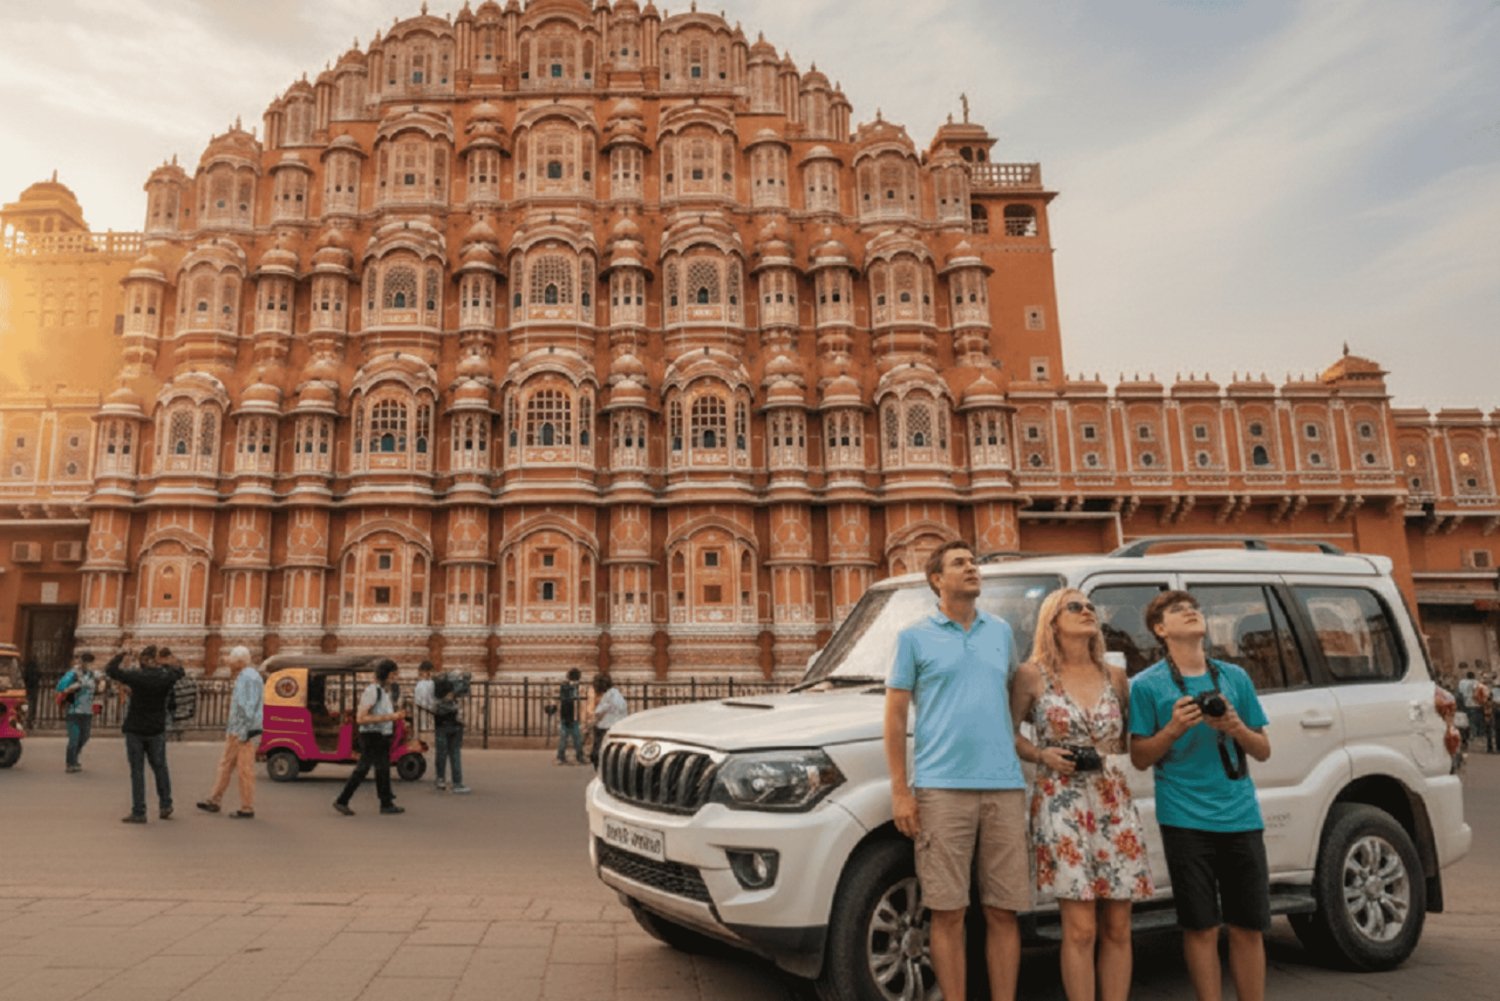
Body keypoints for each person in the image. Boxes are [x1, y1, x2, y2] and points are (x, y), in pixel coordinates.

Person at [883, 539, 1028, 1001]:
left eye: (975, 563)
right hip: (941, 789)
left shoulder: (1000, 632)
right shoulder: (913, 638)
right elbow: (895, 716)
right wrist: (901, 791)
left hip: (1003, 787)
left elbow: (1011, 696)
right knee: (947, 912)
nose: (973, 569)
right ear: (936, 580)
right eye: (960, 564)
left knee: (1004, 911)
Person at [1129, 591, 1273, 1001]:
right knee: (1201, 926)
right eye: (1177, 610)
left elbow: (1262, 749)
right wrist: (1173, 730)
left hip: (1241, 814)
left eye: (1194, 608)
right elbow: (1140, 757)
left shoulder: (1234, 677)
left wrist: (1234, 726)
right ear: (1160, 630)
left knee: (1248, 925)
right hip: (1184, 819)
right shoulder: (1147, 686)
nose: (1191, 612)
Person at [1011, 589, 1152, 1001]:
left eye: (1091, 606)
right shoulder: (1031, 675)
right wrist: (1041, 754)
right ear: (1052, 621)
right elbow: (1009, 732)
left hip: (1114, 802)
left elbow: (1133, 738)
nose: (1087, 611)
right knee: (1080, 927)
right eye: (1075, 606)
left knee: (1118, 926)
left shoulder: (1116, 678)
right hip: (1062, 803)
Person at [105, 645, 186, 824]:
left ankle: (139, 811)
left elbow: (110, 670)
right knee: (160, 767)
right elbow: (180, 670)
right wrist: (168, 659)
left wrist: (122, 653)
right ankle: (166, 804)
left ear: (145, 660)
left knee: (137, 771)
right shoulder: (165, 677)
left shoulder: (136, 676)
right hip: (156, 728)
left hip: (136, 728)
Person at [197, 646, 263, 818]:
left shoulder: (246, 678)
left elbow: (247, 707)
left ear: (240, 662)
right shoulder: (249, 675)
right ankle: (214, 799)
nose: (230, 665)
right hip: (238, 730)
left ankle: (247, 807)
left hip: (243, 732)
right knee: (226, 765)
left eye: (232, 661)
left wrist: (243, 732)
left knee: (244, 769)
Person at [333, 659, 405, 816]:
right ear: (385, 674)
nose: (395, 677)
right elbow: (361, 718)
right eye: (393, 674)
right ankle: (342, 800)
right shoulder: (373, 692)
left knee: (383, 768)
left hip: (381, 735)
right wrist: (391, 716)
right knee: (363, 769)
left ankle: (386, 803)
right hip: (372, 735)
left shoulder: (384, 692)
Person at [56, 652, 100, 773]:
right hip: (73, 711)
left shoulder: (93, 675)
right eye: (85, 661)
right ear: (81, 661)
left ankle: (74, 756)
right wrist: (72, 687)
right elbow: (60, 687)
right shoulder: (73, 674)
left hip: (87, 712)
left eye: (90, 662)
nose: (87, 664)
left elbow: (99, 691)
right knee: (74, 739)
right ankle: (70, 763)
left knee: (84, 737)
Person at [432, 677, 470, 794]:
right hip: (452, 728)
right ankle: (456, 783)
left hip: (443, 729)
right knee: (453, 755)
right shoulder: (451, 704)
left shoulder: (437, 704)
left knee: (442, 755)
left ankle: (441, 779)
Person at [589, 674, 628, 770]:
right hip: (618, 728)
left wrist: (591, 724)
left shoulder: (607, 697)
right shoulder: (617, 694)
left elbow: (599, 713)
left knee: (597, 755)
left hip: (605, 729)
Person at [555, 667, 586, 765]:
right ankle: (563, 756)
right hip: (569, 717)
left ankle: (577, 756)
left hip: (570, 717)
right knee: (570, 738)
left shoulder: (572, 687)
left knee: (572, 738)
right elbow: (567, 699)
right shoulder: (567, 687)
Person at [1458, 669, 1483, 750]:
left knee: (1466, 721)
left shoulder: (1462, 682)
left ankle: (1467, 736)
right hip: (1475, 704)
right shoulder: (1477, 683)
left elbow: (1460, 693)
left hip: (1465, 704)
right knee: (1473, 720)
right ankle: (1473, 734)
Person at [413, 660, 436, 738]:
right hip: (427, 713)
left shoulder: (427, 683)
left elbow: (419, 700)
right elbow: (420, 700)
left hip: (427, 713)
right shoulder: (423, 684)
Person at [22, 657, 41, 728]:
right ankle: (31, 719)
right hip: (34, 688)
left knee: (28, 704)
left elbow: (24, 677)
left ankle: (27, 720)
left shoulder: (28, 668)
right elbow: (39, 676)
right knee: (33, 705)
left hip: (28, 688)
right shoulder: (36, 668)